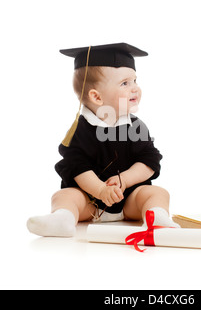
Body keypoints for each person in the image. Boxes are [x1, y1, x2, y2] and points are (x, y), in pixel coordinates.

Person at [27, 43, 179, 237]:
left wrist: (125, 180)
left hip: (128, 201)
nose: (135, 88)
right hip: (89, 204)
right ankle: (63, 219)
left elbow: (150, 161)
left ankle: (156, 219)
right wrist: (100, 190)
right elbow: (75, 166)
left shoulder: (136, 126)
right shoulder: (79, 130)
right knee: (64, 196)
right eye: (125, 83)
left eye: (135, 80)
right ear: (96, 97)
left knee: (157, 193)